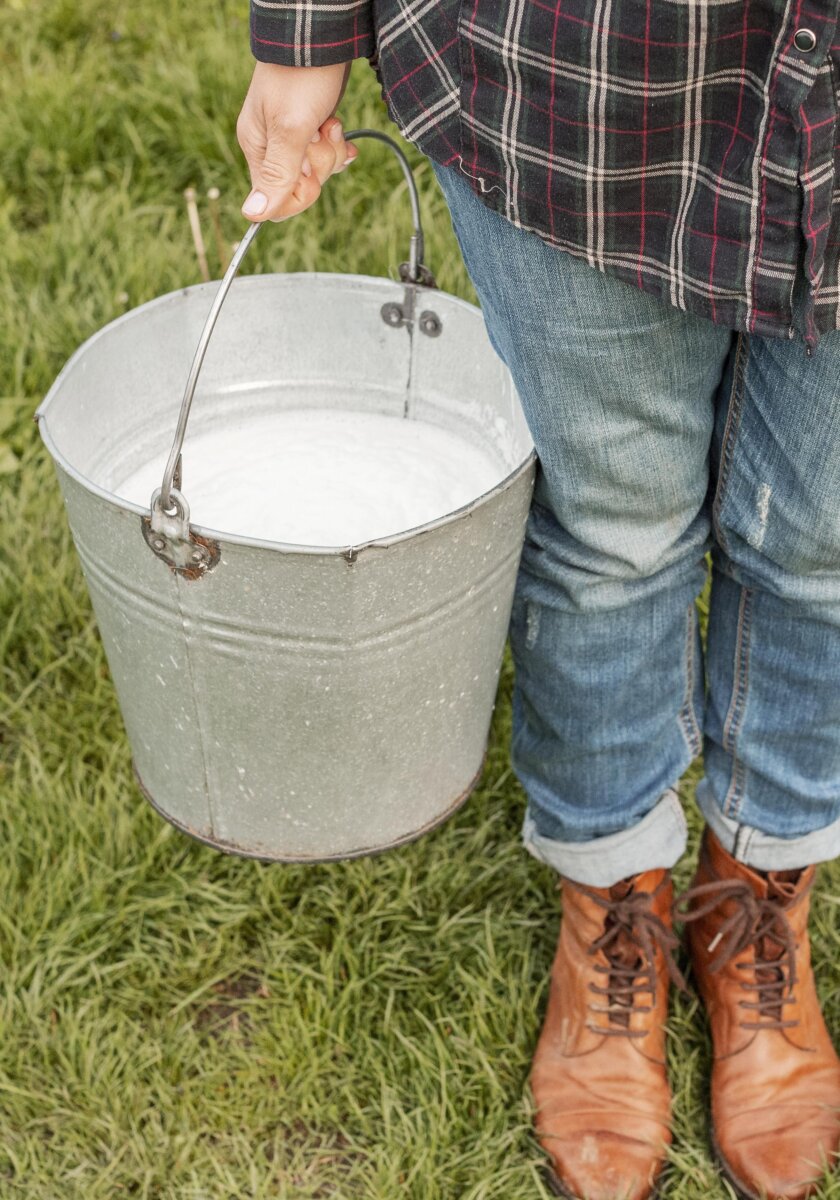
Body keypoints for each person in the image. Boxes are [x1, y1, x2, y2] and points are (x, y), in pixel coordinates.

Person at [235, 5, 840, 1198]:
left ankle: (757, 894)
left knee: (824, 540)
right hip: (587, 83)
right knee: (614, 528)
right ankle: (613, 896)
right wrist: (300, 38)